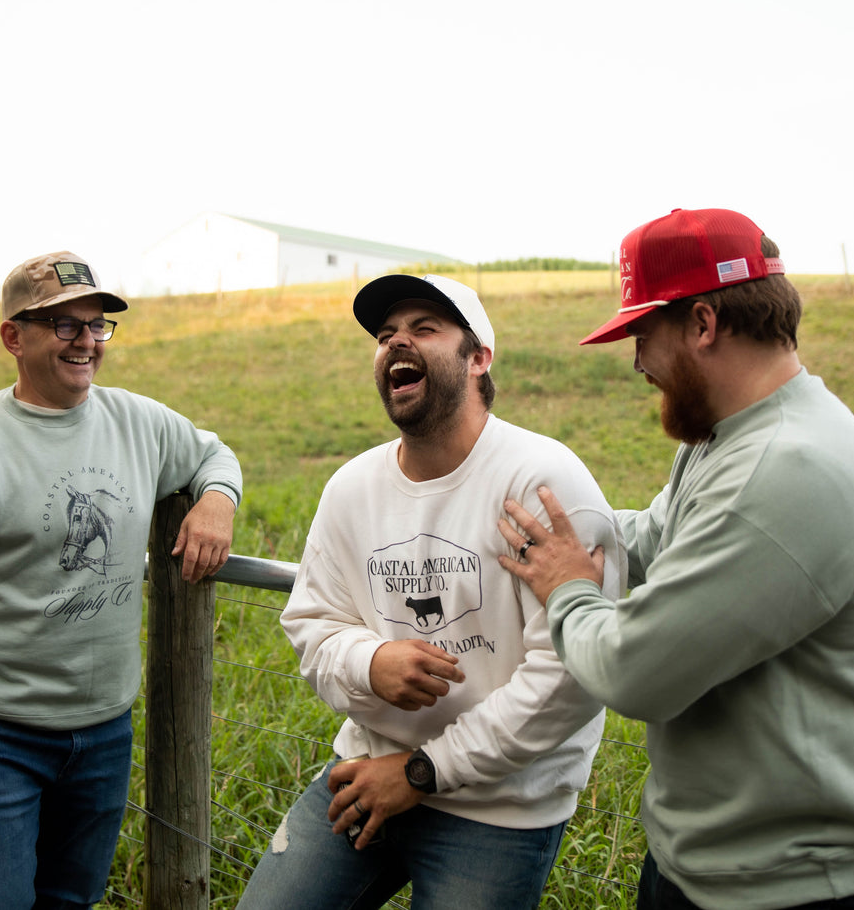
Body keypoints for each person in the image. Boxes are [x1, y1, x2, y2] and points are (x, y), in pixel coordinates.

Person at [497, 208, 854, 910]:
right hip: (711, 868)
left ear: (703, 323)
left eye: (643, 335)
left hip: (809, 887)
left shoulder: (787, 467)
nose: (638, 362)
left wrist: (568, 587)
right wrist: (544, 518)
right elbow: (650, 537)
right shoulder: (725, 439)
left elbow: (632, 670)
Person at [237, 274, 626, 910]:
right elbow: (311, 621)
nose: (397, 343)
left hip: (501, 807)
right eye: (387, 335)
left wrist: (423, 772)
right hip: (366, 771)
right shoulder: (352, 489)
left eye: (424, 329)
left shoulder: (541, 480)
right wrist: (369, 661)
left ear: (479, 358)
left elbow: (573, 672)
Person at [0, 250, 242, 910]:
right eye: (63, 325)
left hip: (102, 732)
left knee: (71, 900)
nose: (86, 341)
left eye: (96, 325)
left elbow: (211, 450)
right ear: (13, 337)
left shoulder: (139, 423)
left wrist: (216, 497)